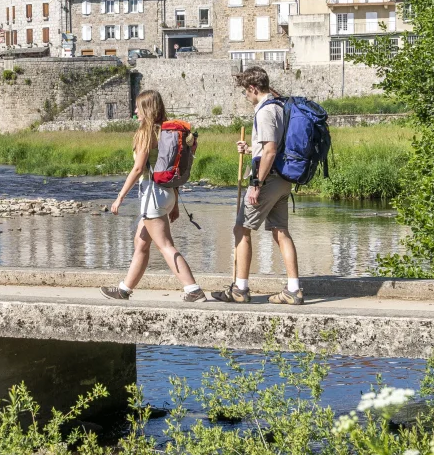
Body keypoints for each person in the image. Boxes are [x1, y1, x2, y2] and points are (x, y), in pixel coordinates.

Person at [101, 89, 206, 303]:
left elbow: (138, 168)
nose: (135, 111)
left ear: (147, 109)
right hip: (166, 195)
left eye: (138, 107)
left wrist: (120, 197)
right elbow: (171, 168)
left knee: (165, 245)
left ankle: (193, 289)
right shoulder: (167, 132)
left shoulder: (146, 133)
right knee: (141, 243)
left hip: (152, 196)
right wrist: (174, 203)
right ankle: (124, 290)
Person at [211, 66, 303, 306]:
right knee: (280, 231)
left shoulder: (264, 112)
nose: (246, 97)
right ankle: (293, 289)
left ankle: (239, 288)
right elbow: (271, 148)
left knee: (241, 229)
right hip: (283, 180)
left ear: (252, 88)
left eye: (245, 92)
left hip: (268, 180)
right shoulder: (281, 107)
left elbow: (271, 151)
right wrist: (251, 150)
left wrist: (255, 184)